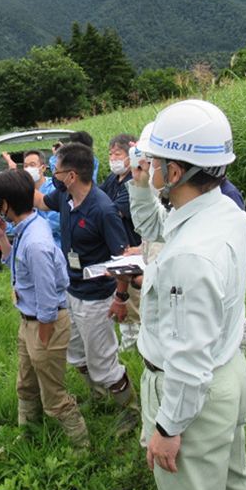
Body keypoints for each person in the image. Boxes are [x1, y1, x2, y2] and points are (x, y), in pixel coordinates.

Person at [127, 99, 246, 490]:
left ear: (174, 172)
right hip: (227, 371)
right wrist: (138, 184)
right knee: (236, 487)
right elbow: (155, 226)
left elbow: (187, 356)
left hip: (193, 396)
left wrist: (168, 428)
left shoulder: (190, 256)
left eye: (154, 163)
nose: (147, 169)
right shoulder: (221, 211)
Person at [33, 141, 141, 434]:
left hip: (97, 297)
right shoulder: (65, 198)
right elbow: (41, 202)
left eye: (56, 171)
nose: (53, 177)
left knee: (104, 362)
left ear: (72, 175)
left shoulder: (103, 209)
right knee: (77, 354)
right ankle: (98, 395)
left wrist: (120, 298)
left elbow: (123, 261)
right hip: (71, 290)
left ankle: (130, 412)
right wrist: (20, 176)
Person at [0, 169, 89, 447]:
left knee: (54, 396)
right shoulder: (28, 226)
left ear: (6, 205)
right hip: (29, 322)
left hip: (46, 324)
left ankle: (81, 446)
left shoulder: (35, 243)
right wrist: (2, 237)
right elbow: (18, 268)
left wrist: (43, 335)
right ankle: (28, 435)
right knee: (26, 384)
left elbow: (46, 298)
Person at [99, 133, 142, 351]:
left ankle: (134, 346)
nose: (113, 158)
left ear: (131, 156)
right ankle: (128, 341)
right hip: (116, 250)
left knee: (132, 300)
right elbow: (96, 202)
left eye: (118, 154)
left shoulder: (132, 183)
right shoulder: (112, 180)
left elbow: (113, 213)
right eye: (110, 154)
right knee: (121, 295)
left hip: (132, 247)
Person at [0, 149, 60, 254]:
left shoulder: (54, 189)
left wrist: (17, 178)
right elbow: (9, 223)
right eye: (26, 166)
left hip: (54, 247)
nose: (28, 169)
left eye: (32, 165)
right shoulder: (22, 192)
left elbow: (53, 223)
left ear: (43, 168)